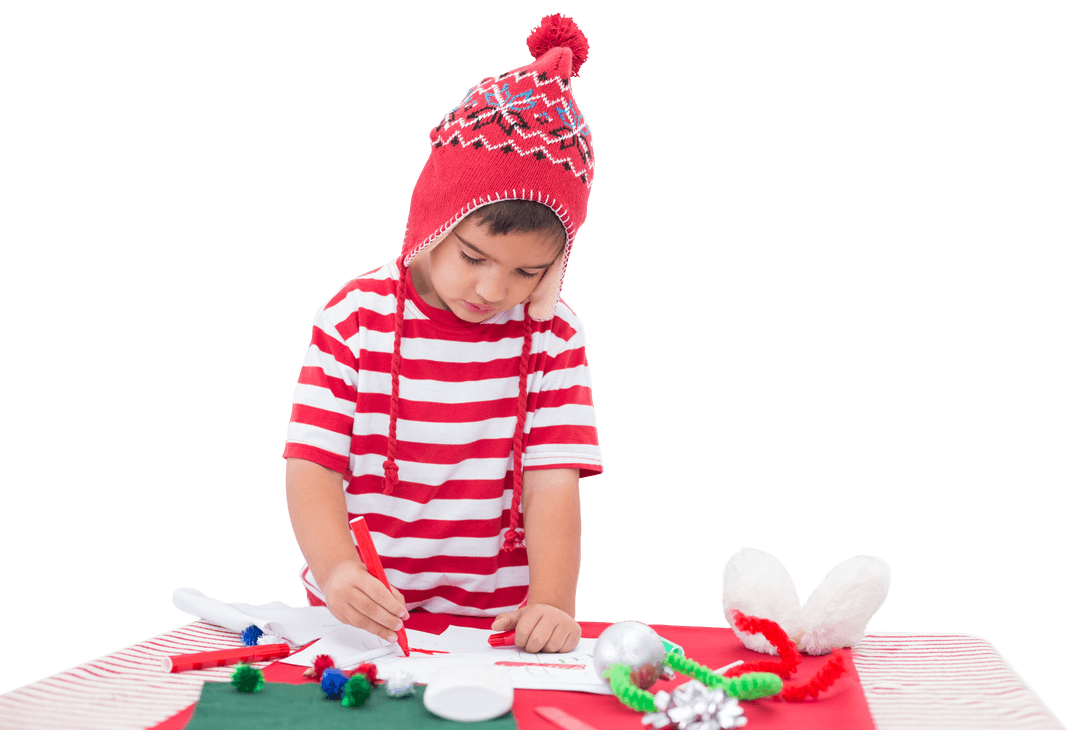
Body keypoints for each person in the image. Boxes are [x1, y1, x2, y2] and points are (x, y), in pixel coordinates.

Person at [282, 13, 602, 654]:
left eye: (527, 272)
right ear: (434, 218)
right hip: (361, 619)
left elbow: (552, 481)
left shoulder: (553, 336)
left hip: (494, 628)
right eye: (474, 257)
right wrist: (340, 570)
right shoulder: (353, 318)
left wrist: (553, 602)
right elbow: (312, 464)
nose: (492, 291)